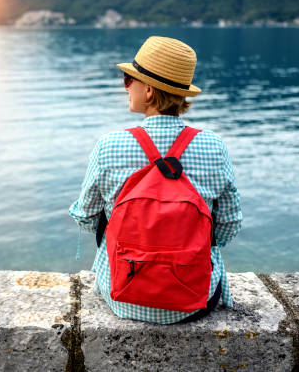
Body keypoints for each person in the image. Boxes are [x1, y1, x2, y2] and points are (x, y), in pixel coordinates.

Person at [69, 36, 242, 324]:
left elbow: (86, 218)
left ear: (148, 90)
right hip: (196, 300)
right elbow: (229, 226)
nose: (125, 86)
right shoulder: (214, 146)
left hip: (122, 297)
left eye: (129, 80)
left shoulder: (109, 145)